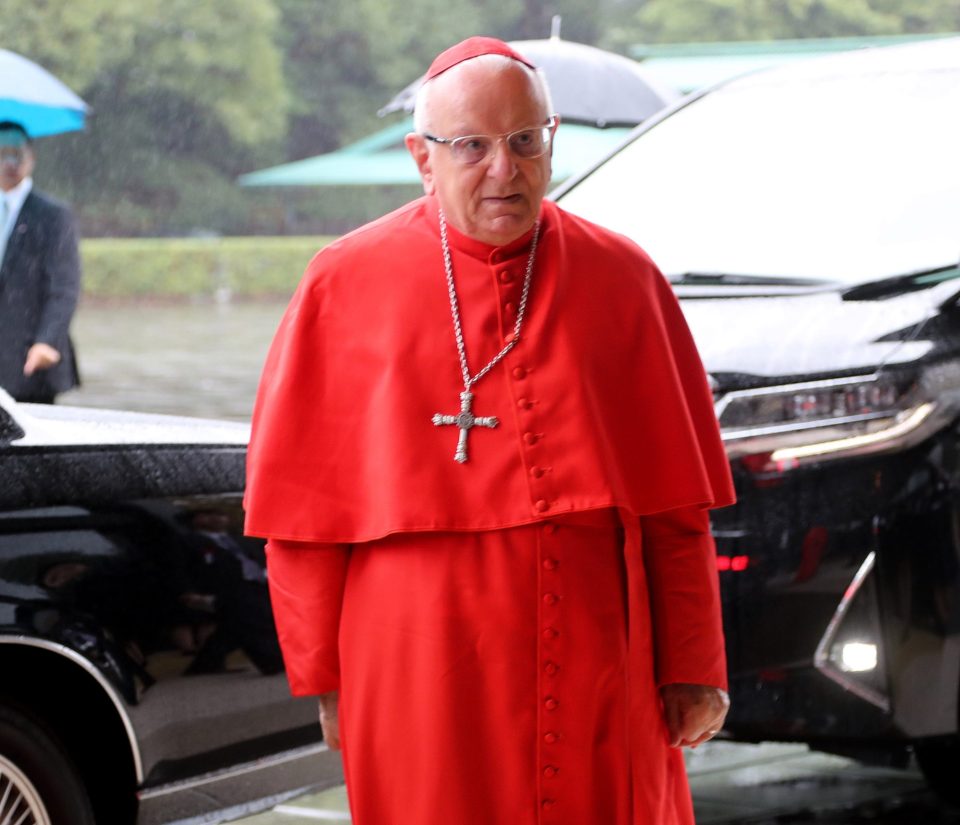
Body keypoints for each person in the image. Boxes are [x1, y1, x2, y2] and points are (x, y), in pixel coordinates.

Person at [244, 36, 735, 825]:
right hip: (415, 660)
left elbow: (677, 508)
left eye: (524, 141)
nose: (504, 169)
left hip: (596, 654)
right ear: (421, 156)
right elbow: (300, 518)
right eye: (472, 145)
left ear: (552, 139)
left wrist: (695, 663)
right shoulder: (343, 281)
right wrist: (324, 677)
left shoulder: (625, 277)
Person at [0, 121, 81, 404]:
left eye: (17, 154)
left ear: (31, 158)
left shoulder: (53, 216)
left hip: (30, 361)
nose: (10, 162)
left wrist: (46, 340)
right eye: (2, 153)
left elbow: (64, 287)